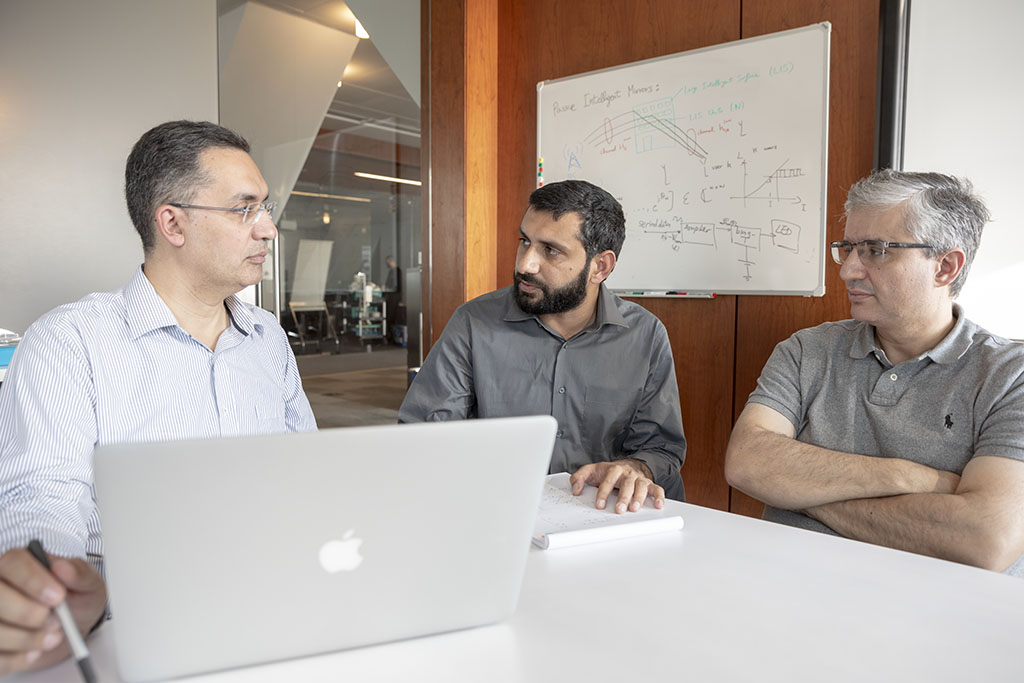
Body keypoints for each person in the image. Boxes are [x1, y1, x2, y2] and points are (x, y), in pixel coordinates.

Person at [0, 120, 317, 674]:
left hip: (281, 614)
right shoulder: (69, 341)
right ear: (172, 222)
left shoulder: (267, 338)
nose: (267, 229)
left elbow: (311, 475)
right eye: (244, 209)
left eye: (266, 208)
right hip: (141, 632)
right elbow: (42, 496)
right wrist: (54, 584)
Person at [724, 169, 1024, 576]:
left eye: (876, 250)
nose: (848, 270)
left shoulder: (1010, 375)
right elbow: (746, 463)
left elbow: (985, 540)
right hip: (787, 590)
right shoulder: (807, 349)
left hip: (941, 622)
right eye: (847, 248)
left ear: (945, 267)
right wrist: (911, 477)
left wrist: (801, 489)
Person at [399, 179, 685, 510]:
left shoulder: (645, 335)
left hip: (605, 517)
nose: (525, 264)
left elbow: (661, 448)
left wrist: (634, 469)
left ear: (600, 267)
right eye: (524, 242)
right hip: (498, 514)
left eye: (550, 250)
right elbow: (423, 439)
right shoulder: (473, 324)